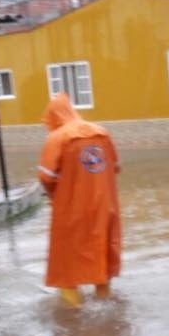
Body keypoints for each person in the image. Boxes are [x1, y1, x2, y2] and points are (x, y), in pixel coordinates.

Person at [37, 93, 121, 308]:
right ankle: (104, 301)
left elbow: (46, 177)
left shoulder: (56, 138)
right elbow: (115, 167)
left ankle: (72, 311)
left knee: (67, 261)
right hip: (105, 206)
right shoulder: (102, 132)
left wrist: (54, 196)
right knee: (101, 252)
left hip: (72, 209)